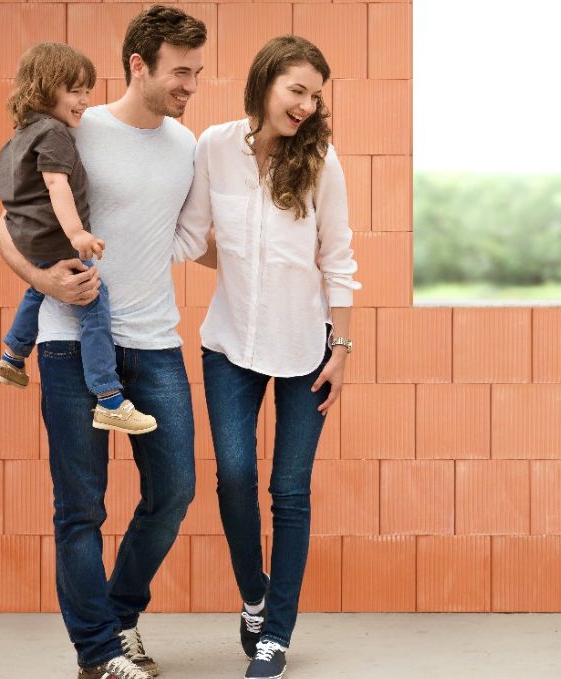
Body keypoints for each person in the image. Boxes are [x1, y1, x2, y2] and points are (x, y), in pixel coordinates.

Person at [0, 6, 207, 679]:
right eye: (180, 71)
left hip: (156, 341)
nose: (191, 85)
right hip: (69, 342)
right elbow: (5, 224)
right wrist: (43, 280)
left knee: (174, 491)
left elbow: (186, 237)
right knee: (80, 508)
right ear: (139, 64)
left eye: (197, 73)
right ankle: (98, 652)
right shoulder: (75, 130)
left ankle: (119, 617)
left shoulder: (186, 145)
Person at [173, 35, 360, 679]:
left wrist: (342, 348)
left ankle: (275, 634)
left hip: (306, 345)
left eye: (314, 95)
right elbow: (192, 236)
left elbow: (337, 257)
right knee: (234, 477)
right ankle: (254, 596)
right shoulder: (214, 146)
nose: (305, 105)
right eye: (296, 90)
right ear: (264, 84)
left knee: (290, 491)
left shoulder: (321, 160)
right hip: (230, 343)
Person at [0, 41, 156, 435]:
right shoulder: (54, 132)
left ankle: (12, 357)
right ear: (46, 88)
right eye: (75, 91)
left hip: (30, 238)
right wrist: (77, 232)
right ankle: (109, 398)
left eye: (87, 91)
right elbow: (55, 183)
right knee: (94, 302)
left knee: (39, 290)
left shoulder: (20, 135)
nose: (84, 101)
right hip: (55, 238)